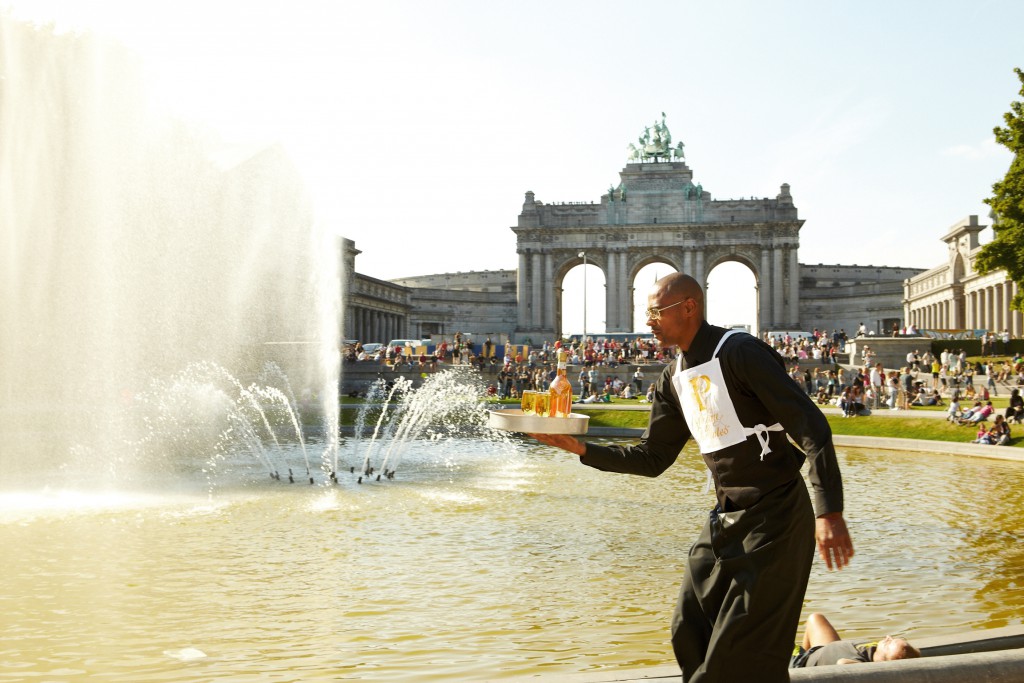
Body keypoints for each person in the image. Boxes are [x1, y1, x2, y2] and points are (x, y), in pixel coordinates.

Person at [530, 273, 852, 683]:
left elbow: (812, 428)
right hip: (726, 519)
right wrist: (582, 449)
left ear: (688, 307)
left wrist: (830, 513)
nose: (648, 321)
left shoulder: (741, 352)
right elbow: (653, 457)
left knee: (740, 650)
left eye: (655, 311)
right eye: (646, 312)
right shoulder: (672, 378)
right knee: (689, 627)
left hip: (778, 518)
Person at [791, 613, 920, 667]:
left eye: (888, 643)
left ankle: (808, 670)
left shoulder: (859, 665)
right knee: (815, 618)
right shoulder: (876, 651)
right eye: (892, 639)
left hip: (800, 663)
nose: (887, 637)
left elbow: (842, 663)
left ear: (883, 661)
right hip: (822, 649)